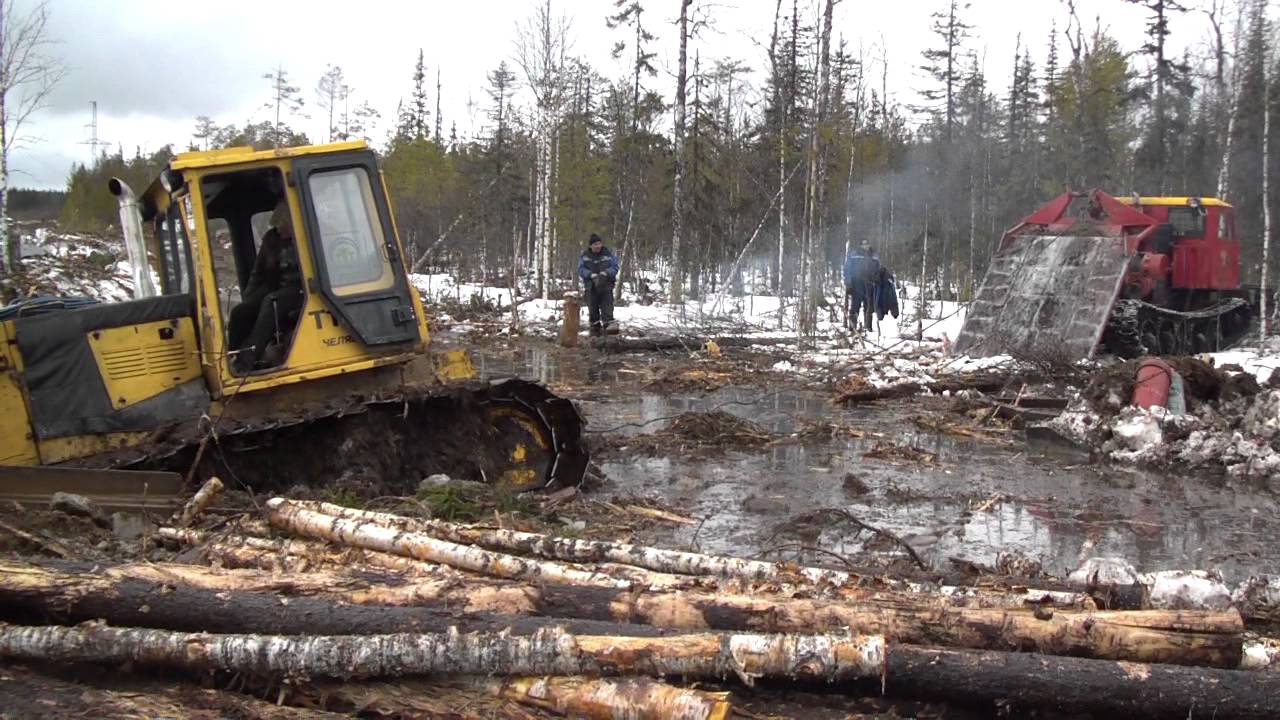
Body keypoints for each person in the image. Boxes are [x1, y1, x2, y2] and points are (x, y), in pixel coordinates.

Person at [227, 199, 304, 372]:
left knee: (270, 303)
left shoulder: (307, 237)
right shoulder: (272, 239)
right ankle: (232, 356)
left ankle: (247, 361)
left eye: (282, 225)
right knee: (240, 311)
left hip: (302, 289)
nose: (278, 229)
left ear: (294, 221)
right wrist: (249, 297)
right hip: (276, 285)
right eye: (276, 225)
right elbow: (258, 272)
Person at [577, 233, 618, 337]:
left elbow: (615, 267)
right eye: (595, 244)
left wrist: (606, 273)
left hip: (606, 286)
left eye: (599, 243)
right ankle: (595, 334)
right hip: (591, 287)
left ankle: (609, 333)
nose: (598, 246)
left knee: (607, 309)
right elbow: (581, 269)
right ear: (591, 246)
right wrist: (590, 275)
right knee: (593, 311)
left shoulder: (608, 254)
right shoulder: (585, 256)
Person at [843, 241, 881, 332]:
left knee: (869, 307)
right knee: (855, 306)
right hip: (857, 284)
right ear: (860, 245)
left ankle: (868, 327)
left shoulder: (874, 256)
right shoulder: (853, 254)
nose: (865, 246)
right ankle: (852, 327)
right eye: (863, 244)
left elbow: (878, 269)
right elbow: (847, 269)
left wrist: (877, 279)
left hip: (870, 284)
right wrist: (848, 283)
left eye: (867, 244)